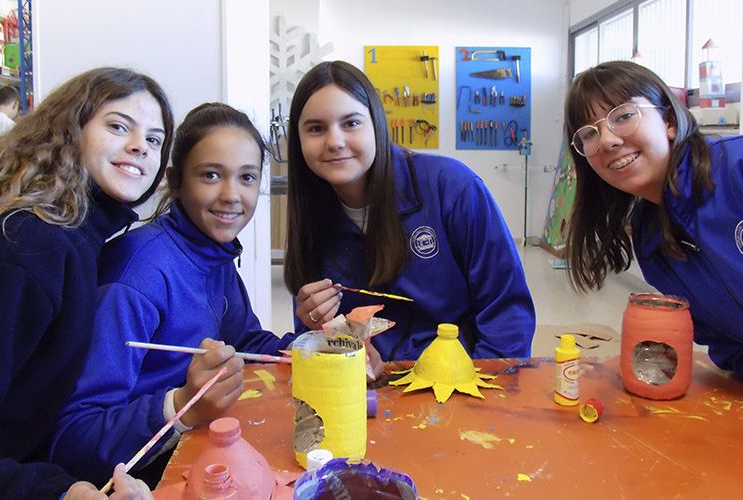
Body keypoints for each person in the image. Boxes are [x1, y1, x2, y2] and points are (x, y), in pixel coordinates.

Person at [0, 67, 175, 499]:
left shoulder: (74, 235)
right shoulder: (25, 249)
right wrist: (62, 493)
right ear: (70, 129)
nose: (141, 146)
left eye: (155, 139)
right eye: (118, 126)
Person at [51, 103, 296, 486]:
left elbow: (248, 343)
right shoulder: (135, 280)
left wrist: (319, 349)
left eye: (247, 177)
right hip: (137, 478)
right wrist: (180, 405)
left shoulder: (213, 250)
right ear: (176, 181)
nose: (232, 195)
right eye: (211, 175)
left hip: (198, 453)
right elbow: (71, 438)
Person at [283, 60, 535, 361]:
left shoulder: (451, 187)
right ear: (298, 140)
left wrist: (482, 391)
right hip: (368, 392)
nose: (335, 142)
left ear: (377, 123)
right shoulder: (310, 214)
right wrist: (315, 327)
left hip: (461, 382)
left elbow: (506, 311)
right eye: (315, 128)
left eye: (351, 123)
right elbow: (320, 343)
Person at [564, 60, 743, 378]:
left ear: (669, 120)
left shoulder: (736, 169)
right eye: (589, 133)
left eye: (623, 116)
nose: (607, 140)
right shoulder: (651, 240)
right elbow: (727, 343)